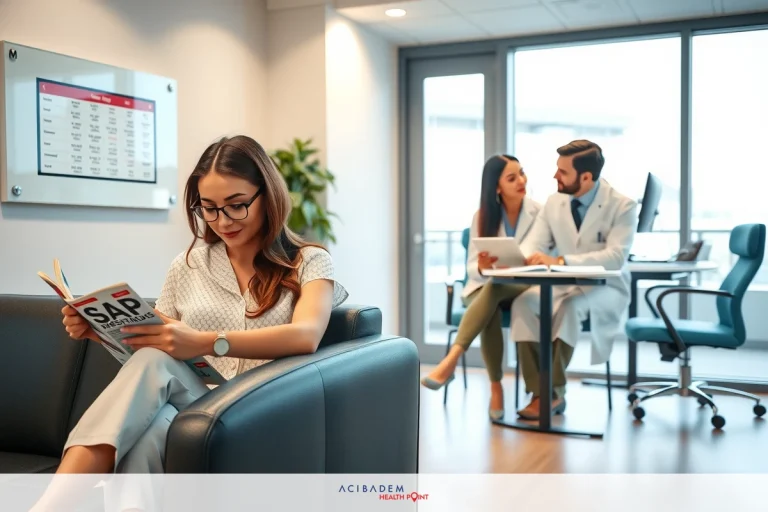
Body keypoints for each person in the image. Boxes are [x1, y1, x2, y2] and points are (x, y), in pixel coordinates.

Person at [32, 135, 349, 511]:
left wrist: (204, 341)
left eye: (237, 206)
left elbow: (306, 335)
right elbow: (159, 349)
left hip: (266, 408)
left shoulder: (310, 261)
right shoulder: (187, 265)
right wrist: (99, 333)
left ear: (269, 195)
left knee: (155, 389)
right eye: (209, 209)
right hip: (197, 407)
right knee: (152, 419)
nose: (222, 221)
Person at [511, 139, 636, 420]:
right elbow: (535, 243)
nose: (555, 176)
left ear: (586, 177)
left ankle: (551, 394)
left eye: (563, 172)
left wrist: (560, 261)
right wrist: (524, 256)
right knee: (523, 304)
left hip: (606, 287)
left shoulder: (623, 205)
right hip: (565, 284)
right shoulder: (555, 202)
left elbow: (615, 256)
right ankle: (540, 392)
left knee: (568, 310)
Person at [420, 154, 541, 420]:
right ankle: (496, 388)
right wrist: (485, 266)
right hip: (484, 286)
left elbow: (537, 253)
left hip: (522, 284)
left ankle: (450, 362)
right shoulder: (482, 216)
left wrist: (521, 262)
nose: (521, 181)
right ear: (497, 187)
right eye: (512, 178)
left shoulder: (538, 212)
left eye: (522, 173)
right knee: (492, 305)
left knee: (495, 290)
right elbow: (472, 267)